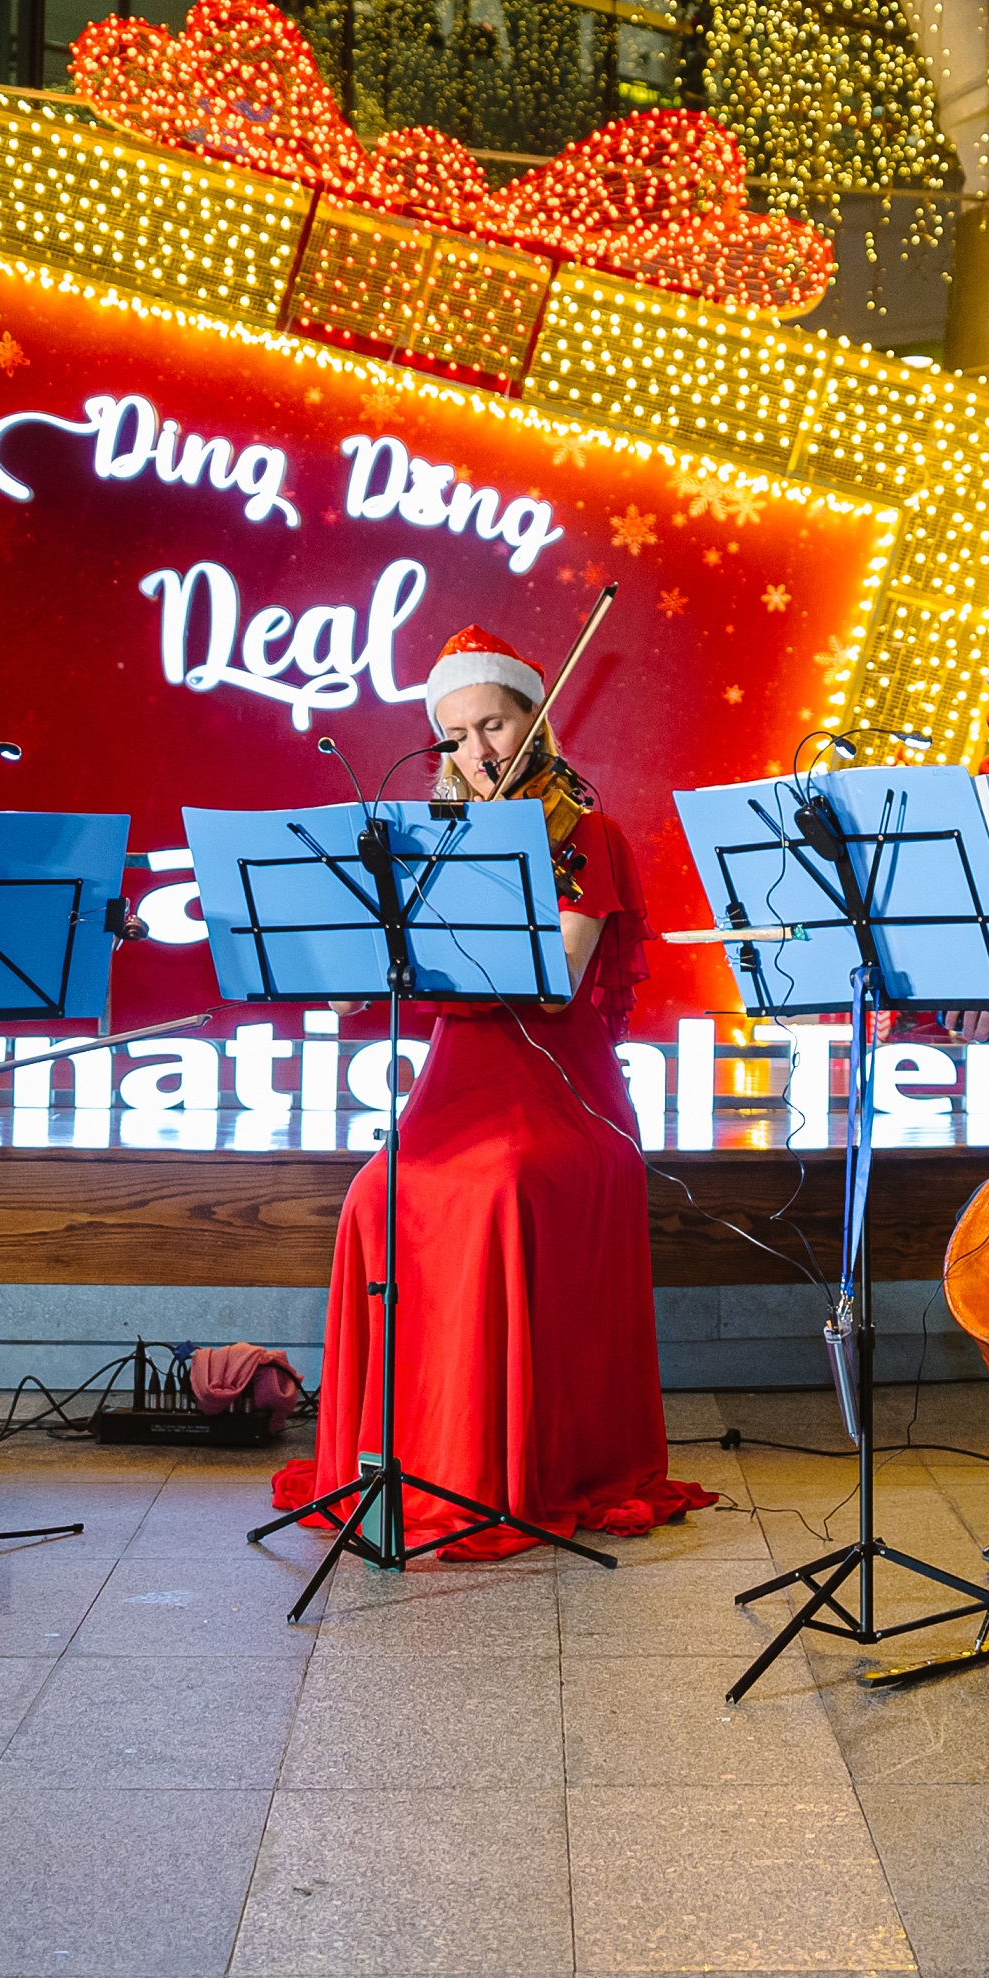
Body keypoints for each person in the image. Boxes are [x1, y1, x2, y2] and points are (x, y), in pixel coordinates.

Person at [266, 624, 714, 1552]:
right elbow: (368, 979)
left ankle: (505, 1465)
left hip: (559, 1091)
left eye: (496, 727)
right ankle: (409, 1450)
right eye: (456, 737)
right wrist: (352, 957)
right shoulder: (424, 839)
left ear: (535, 725)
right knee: (372, 1199)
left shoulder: (581, 831)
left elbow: (558, 975)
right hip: (454, 1090)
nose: (476, 753)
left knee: (499, 1193)